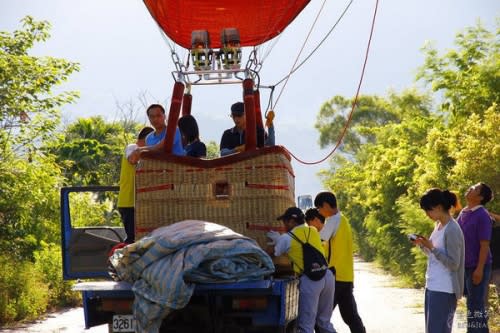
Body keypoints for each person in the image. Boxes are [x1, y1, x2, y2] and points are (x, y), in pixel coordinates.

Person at [267, 207, 336, 333]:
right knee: (324, 323)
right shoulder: (313, 230)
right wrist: (280, 239)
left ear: (292, 221)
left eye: (285, 222)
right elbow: (302, 242)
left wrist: (276, 241)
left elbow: (273, 253)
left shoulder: (286, 238)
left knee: (306, 326)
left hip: (311, 280)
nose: (284, 225)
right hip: (327, 276)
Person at [413, 188, 465, 333]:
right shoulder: (438, 226)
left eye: (428, 210)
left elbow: (454, 264)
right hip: (432, 286)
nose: (427, 214)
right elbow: (433, 254)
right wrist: (423, 245)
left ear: (438, 207)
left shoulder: (452, 229)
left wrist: (432, 248)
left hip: (445, 289)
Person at [314, 191, 366, 333]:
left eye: (319, 208)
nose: (319, 212)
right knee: (351, 316)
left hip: (335, 275)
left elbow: (320, 239)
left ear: (325, 205)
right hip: (346, 276)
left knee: (319, 318)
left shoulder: (333, 220)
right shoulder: (343, 220)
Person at [457, 183, 494, 332]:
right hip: (466, 265)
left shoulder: (482, 215)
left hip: (479, 265)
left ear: (480, 197)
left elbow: (484, 245)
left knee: (476, 304)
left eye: (475, 189)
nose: (470, 189)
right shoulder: (464, 212)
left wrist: (479, 269)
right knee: (472, 303)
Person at [117, 126, 154, 243]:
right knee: (132, 239)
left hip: (137, 202)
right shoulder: (133, 147)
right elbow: (132, 159)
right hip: (128, 202)